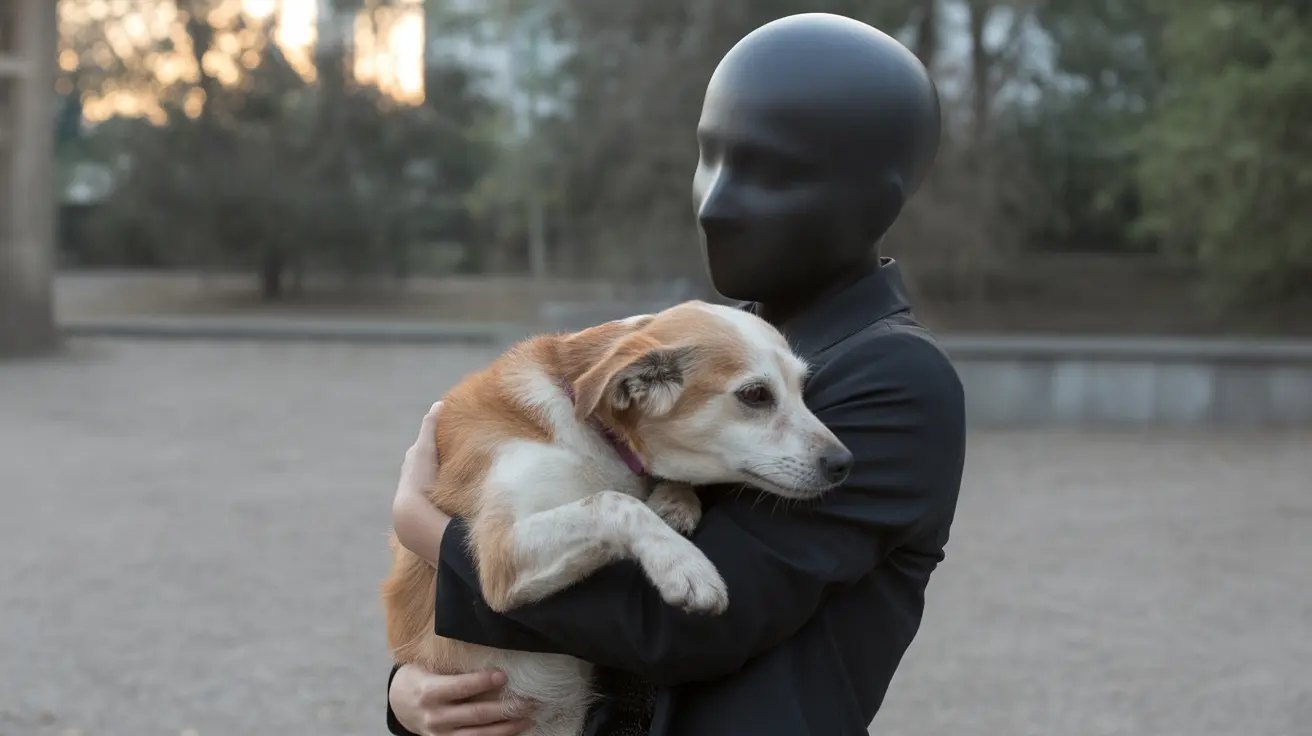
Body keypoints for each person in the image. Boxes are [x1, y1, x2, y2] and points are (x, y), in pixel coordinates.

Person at [386, 12, 966, 736]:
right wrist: (417, 690)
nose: (716, 201)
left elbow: (684, 628)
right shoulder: (721, 343)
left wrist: (432, 534)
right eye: (710, 157)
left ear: (873, 201)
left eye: (768, 169)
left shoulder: (894, 375)